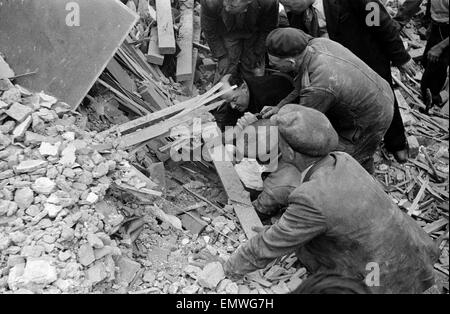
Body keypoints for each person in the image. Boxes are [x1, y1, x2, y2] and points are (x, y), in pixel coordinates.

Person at [193, 105, 439, 294]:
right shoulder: (342, 160)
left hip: (382, 279)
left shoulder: (312, 197)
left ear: (288, 151)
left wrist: (226, 268)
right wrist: (288, 228)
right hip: (414, 254)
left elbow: (268, 245)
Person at [279, 0, 415, 163]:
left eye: (287, 4)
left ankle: (397, 143)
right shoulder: (296, 10)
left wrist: (401, 57)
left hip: (367, 59)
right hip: (331, 67)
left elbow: (383, 26)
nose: (286, 9)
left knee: (382, 98)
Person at [261, 28, 395, 173]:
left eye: (275, 64)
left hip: (374, 115)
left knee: (347, 158)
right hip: (375, 90)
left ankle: (363, 180)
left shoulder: (320, 85)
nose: (272, 66)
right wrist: (279, 107)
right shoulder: (317, 44)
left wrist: (274, 125)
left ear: (291, 61)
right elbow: (302, 85)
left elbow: (304, 126)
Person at [200, 0, 279, 85]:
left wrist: (257, 52)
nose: (226, 8)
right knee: (226, 68)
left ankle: (251, 88)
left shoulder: (268, 3)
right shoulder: (210, 2)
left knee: (251, 66)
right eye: (225, 2)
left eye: (232, 6)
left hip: (255, 31)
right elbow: (209, 30)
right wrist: (221, 55)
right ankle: (224, 91)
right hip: (227, 32)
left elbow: (268, 29)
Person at [213, 73, 295, 130]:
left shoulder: (265, 96)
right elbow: (227, 127)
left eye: (234, 100)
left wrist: (254, 124)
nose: (232, 106)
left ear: (244, 88)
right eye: (228, 102)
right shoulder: (234, 98)